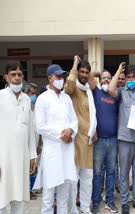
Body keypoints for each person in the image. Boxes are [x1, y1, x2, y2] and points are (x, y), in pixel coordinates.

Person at [33, 64, 78, 214]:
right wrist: (62, 134)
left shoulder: (66, 98)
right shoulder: (42, 99)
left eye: (62, 77)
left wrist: (70, 131)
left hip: (66, 150)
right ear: (50, 78)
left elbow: (74, 120)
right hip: (52, 152)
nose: (60, 79)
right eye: (58, 77)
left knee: (64, 195)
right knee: (48, 196)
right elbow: (40, 126)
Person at [109, 64, 135, 214]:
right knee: (124, 172)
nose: (131, 80)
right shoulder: (121, 92)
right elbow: (109, 90)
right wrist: (118, 71)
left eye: (133, 77)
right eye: (128, 77)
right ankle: (125, 202)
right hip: (125, 138)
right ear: (125, 79)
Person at [0, 61, 37, 214]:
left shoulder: (26, 99)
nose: (16, 78)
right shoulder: (0, 97)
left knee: (19, 198)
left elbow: (30, 130)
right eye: (13, 75)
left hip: (22, 157)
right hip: (3, 157)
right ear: (6, 78)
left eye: (19, 74)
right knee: (1, 198)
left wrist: (32, 156)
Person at [65, 56, 97, 214]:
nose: (84, 75)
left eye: (86, 72)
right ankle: (72, 208)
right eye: (81, 72)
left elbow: (91, 114)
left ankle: (85, 208)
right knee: (73, 179)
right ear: (78, 72)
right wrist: (75, 65)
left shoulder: (88, 90)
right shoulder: (73, 89)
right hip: (75, 141)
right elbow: (69, 85)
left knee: (87, 179)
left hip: (89, 141)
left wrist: (94, 129)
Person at [88, 69, 119, 214]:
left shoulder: (115, 95)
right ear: (100, 81)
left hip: (113, 140)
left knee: (111, 172)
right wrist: (95, 73)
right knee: (98, 173)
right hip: (99, 140)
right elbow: (88, 78)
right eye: (103, 78)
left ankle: (110, 201)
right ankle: (95, 201)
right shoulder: (96, 93)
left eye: (108, 78)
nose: (106, 80)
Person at [24, 83, 39, 200]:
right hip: (25, 146)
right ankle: (27, 191)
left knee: (33, 168)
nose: (34, 96)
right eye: (32, 93)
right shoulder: (23, 108)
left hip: (35, 144)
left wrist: (39, 144)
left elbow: (37, 130)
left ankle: (32, 189)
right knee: (26, 169)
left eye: (35, 93)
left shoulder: (35, 109)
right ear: (26, 94)